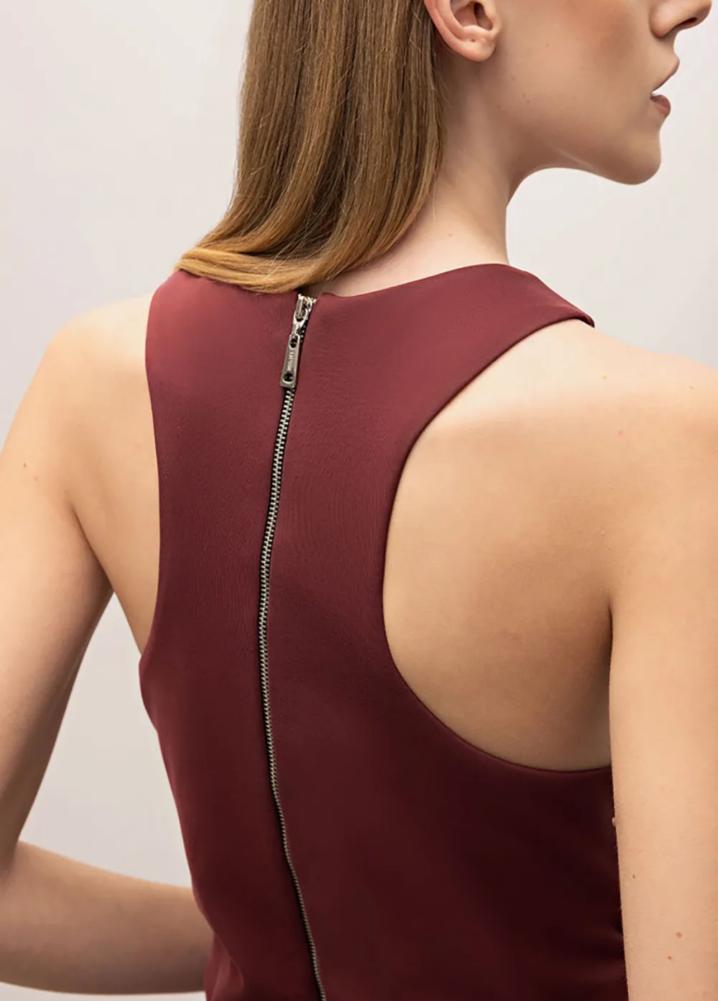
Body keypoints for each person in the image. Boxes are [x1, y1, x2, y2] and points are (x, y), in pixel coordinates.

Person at [0, 0, 715, 998]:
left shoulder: (93, 381)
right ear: (468, 10)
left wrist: (261, 933)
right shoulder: (663, 442)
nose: (688, 7)